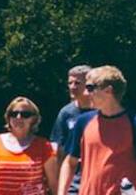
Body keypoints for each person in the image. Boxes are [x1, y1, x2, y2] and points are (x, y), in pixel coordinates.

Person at [56, 66, 136, 195]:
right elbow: (70, 162)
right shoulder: (83, 122)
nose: (86, 93)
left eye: (90, 88)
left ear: (108, 90)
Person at [0, 97, 57, 195]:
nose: (19, 117)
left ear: (34, 119)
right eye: (14, 114)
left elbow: (54, 184)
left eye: (25, 114)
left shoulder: (44, 146)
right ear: (8, 118)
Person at [51, 65, 93, 195]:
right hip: (72, 183)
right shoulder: (66, 113)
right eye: (70, 83)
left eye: (77, 83)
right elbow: (59, 151)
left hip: (96, 180)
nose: (72, 87)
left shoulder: (102, 111)